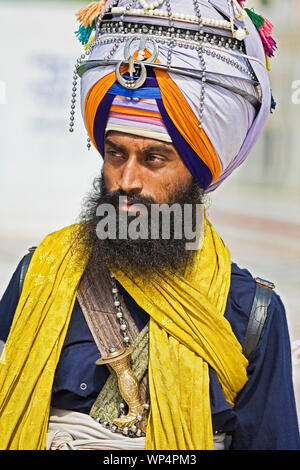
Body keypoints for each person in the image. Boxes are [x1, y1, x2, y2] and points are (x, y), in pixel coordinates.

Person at [0, 0, 299, 451]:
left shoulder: (252, 315)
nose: (127, 181)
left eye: (155, 159)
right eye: (115, 154)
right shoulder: (38, 275)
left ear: (197, 173)